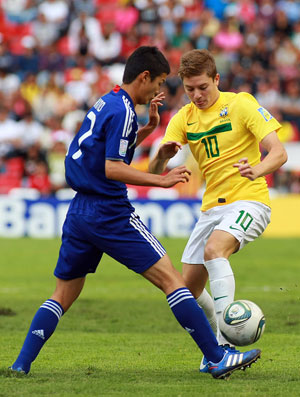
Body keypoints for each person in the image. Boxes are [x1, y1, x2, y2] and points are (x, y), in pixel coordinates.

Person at [10, 46, 261, 379]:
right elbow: (113, 168)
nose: (158, 91)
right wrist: (160, 180)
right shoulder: (124, 109)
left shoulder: (108, 101)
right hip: (109, 211)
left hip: (80, 211)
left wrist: (149, 128)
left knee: (62, 294)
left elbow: (106, 148)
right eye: (157, 83)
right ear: (144, 77)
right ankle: (216, 357)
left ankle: (20, 365)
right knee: (174, 281)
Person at [149, 49, 287, 372]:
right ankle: (218, 343)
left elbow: (278, 153)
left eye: (202, 87)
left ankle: (223, 347)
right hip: (211, 208)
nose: (196, 95)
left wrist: (257, 168)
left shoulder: (241, 104)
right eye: (189, 89)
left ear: (216, 79)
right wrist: (162, 155)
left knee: (214, 251)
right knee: (188, 289)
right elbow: (156, 170)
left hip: (249, 199)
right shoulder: (183, 118)